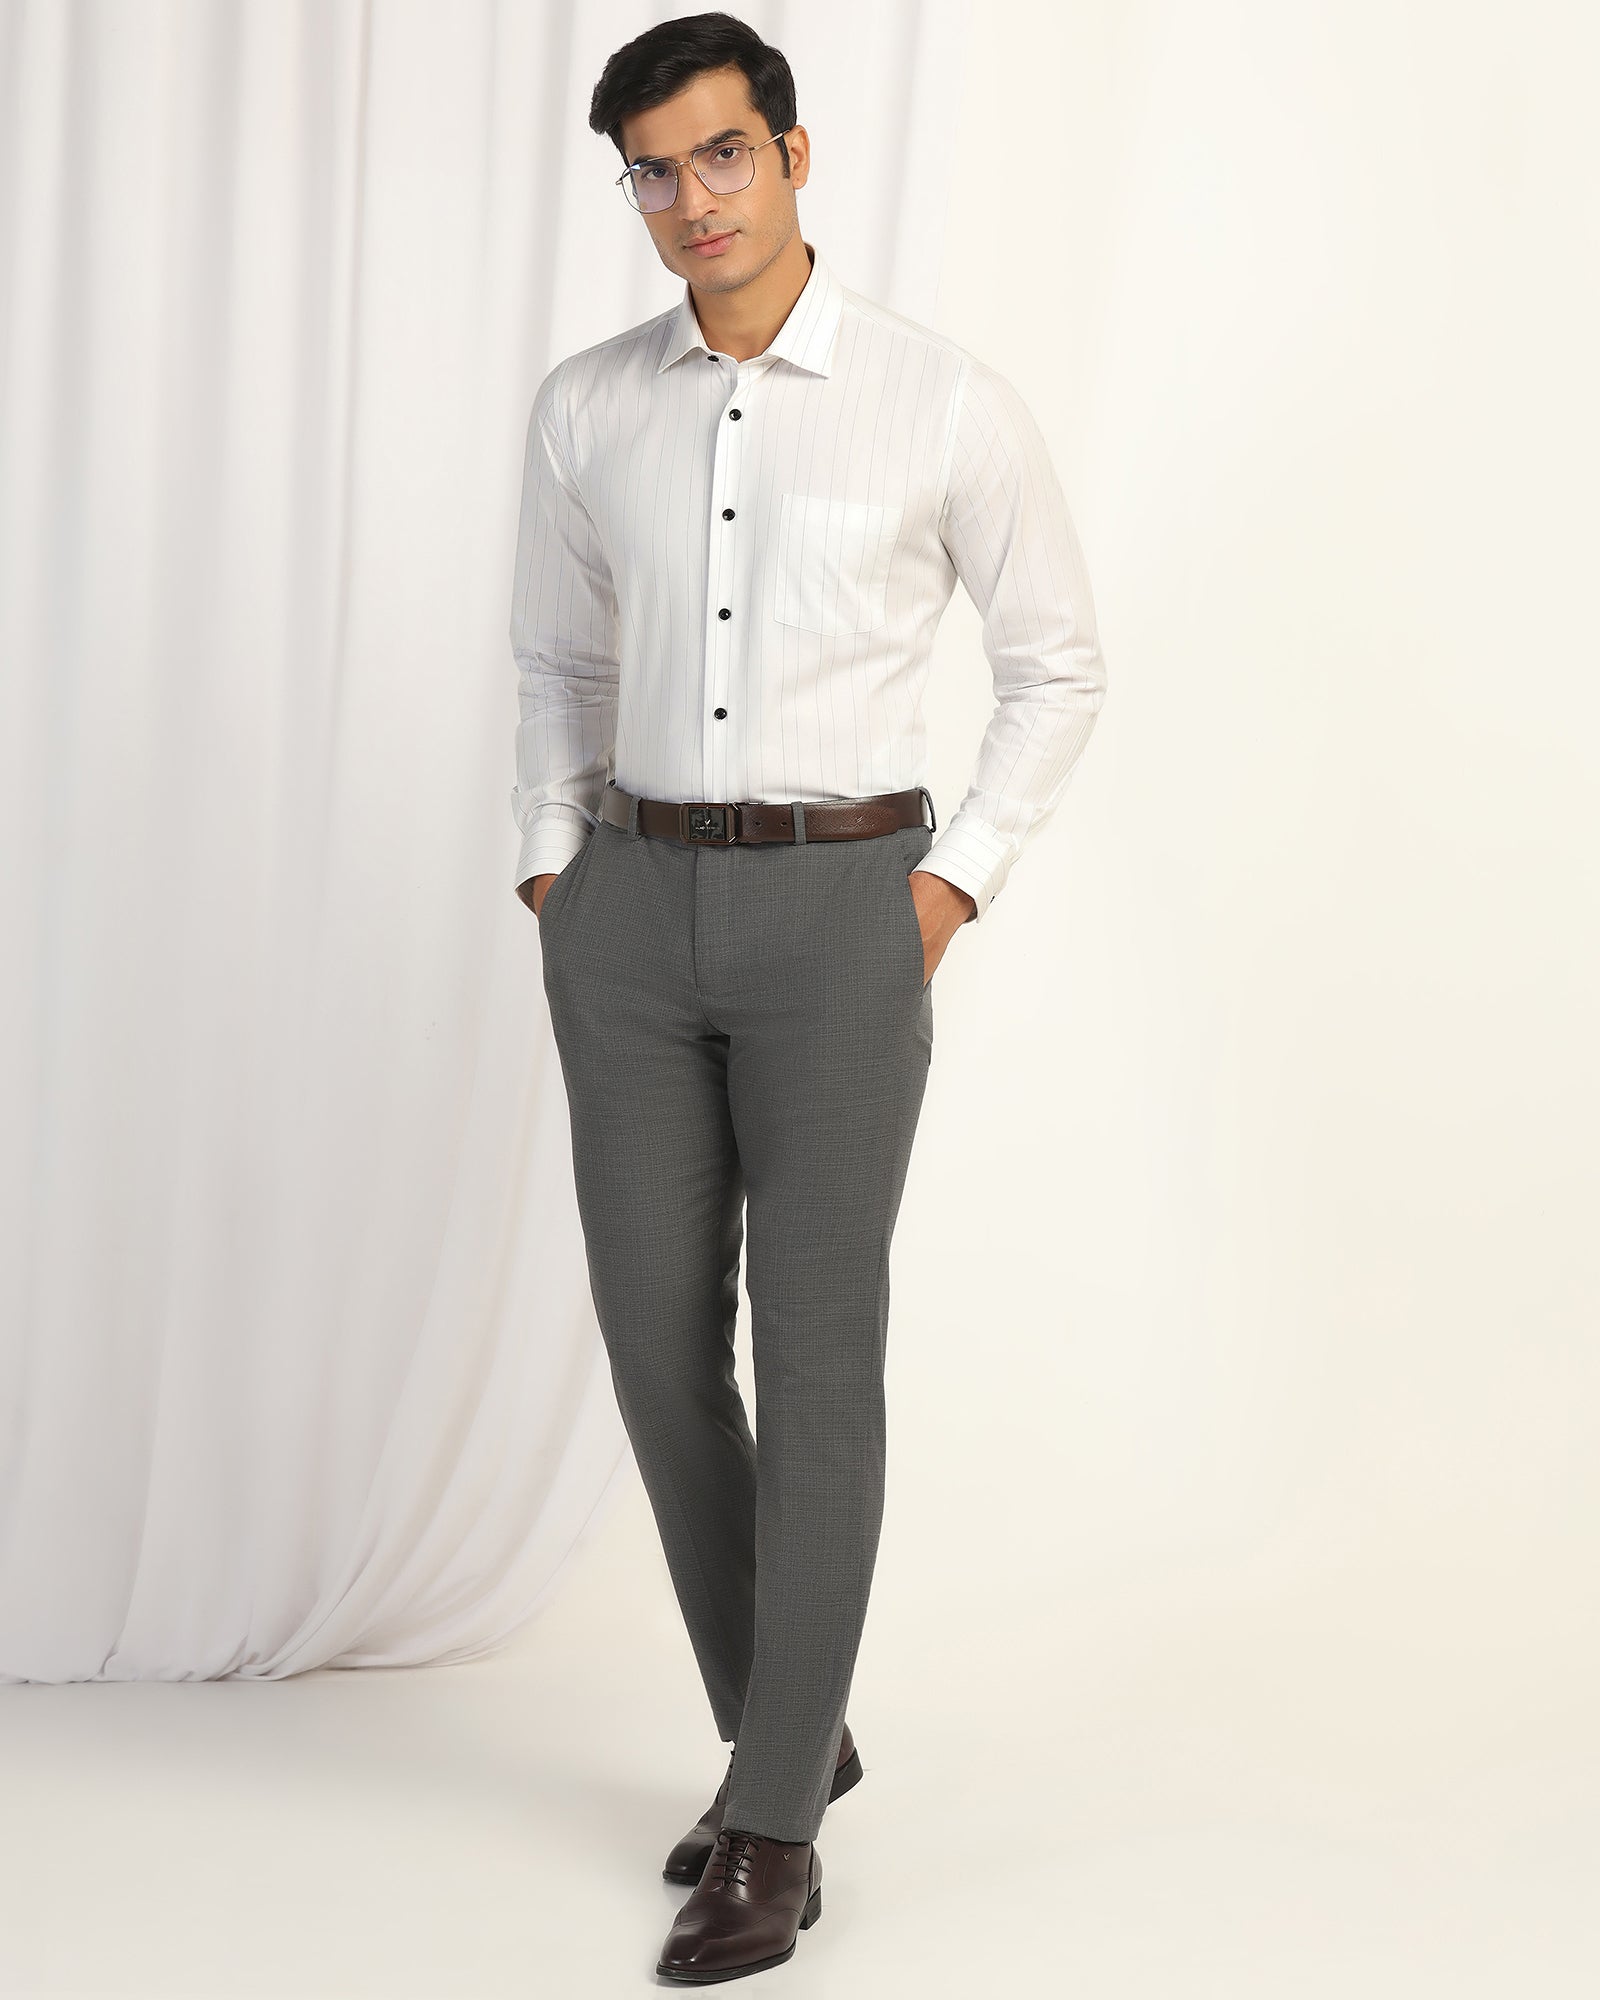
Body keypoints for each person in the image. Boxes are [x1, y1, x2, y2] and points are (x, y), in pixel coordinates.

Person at [507, 10, 1106, 1982]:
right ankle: (796, 1722)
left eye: (721, 155)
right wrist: (554, 869)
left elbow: (1056, 664)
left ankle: (770, 1820)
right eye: (653, 171)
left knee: (819, 1353)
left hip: (845, 910)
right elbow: (554, 662)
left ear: (792, 153)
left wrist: (945, 889)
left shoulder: (942, 403)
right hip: (629, 912)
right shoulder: (589, 406)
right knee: (653, 1343)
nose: (691, 200)